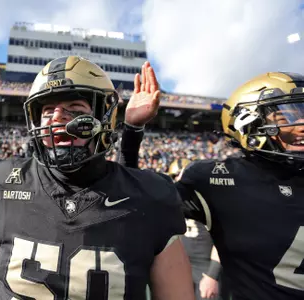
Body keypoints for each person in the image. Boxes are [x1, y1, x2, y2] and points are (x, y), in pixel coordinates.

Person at [0, 56, 195, 300]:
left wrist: (133, 131)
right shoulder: (3, 180)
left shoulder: (152, 196)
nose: (57, 117)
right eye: (48, 110)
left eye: (74, 109)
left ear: (103, 117)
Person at [119, 64, 304, 300]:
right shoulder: (218, 179)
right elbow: (133, 203)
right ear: (249, 123)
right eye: (289, 115)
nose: (301, 125)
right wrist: (132, 131)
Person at [168, 158, 221, 300]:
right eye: (174, 176)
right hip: (179, 266)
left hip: (204, 266)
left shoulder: (208, 200)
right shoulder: (171, 201)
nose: (177, 179)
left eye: (180, 174)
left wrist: (212, 275)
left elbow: (221, 241)